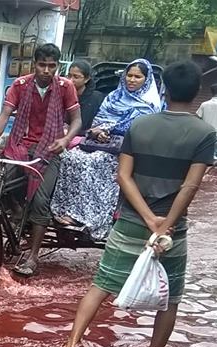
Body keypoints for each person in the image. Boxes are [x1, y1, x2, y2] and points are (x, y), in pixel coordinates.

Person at [65, 60, 217, 347]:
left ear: (164, 88)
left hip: (130, 221)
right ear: (196, 91)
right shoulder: (204, 134)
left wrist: (147, 219)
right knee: (170, 298)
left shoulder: (140, 125)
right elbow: (190, 186)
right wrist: (164, 225)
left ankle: (71, 344)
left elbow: (122, 176)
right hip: (172, 229)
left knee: (101, 284)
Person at [0, 43, 82, 277]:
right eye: (42, 65)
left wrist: (65, 140)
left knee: (40, 201)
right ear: (34, 64)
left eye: (51, 66)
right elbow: (5, 114)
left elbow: (77, 120)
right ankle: (16, 215)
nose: (46, 70)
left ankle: (32, 257)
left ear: (57, 66)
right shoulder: (20, 85)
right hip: (20, 146)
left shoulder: (66, 87)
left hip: (50, 149)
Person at [51, 59, 162, 240]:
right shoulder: (113, 97)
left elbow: (142, 130)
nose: (132, 80)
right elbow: (98, 121)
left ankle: (87, 216)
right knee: (70, 157)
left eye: (137, 77)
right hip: (99, 144)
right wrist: (98, 131)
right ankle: (65, 210)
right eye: (129, 75)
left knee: (92, 162)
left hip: (127, 151)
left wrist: (111, 131)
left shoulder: (150, 104)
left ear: (146, 80)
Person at [67, 60, 105, 132]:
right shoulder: (62, 95)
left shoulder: (97, 98)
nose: (71, 80)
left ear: (86, 79)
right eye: (69, 76)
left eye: (76, 77)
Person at [196, 84, 217, 161]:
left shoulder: (204, 104)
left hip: (205, 133)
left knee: (204, 155)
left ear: (211, 92)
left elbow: (198, 117)